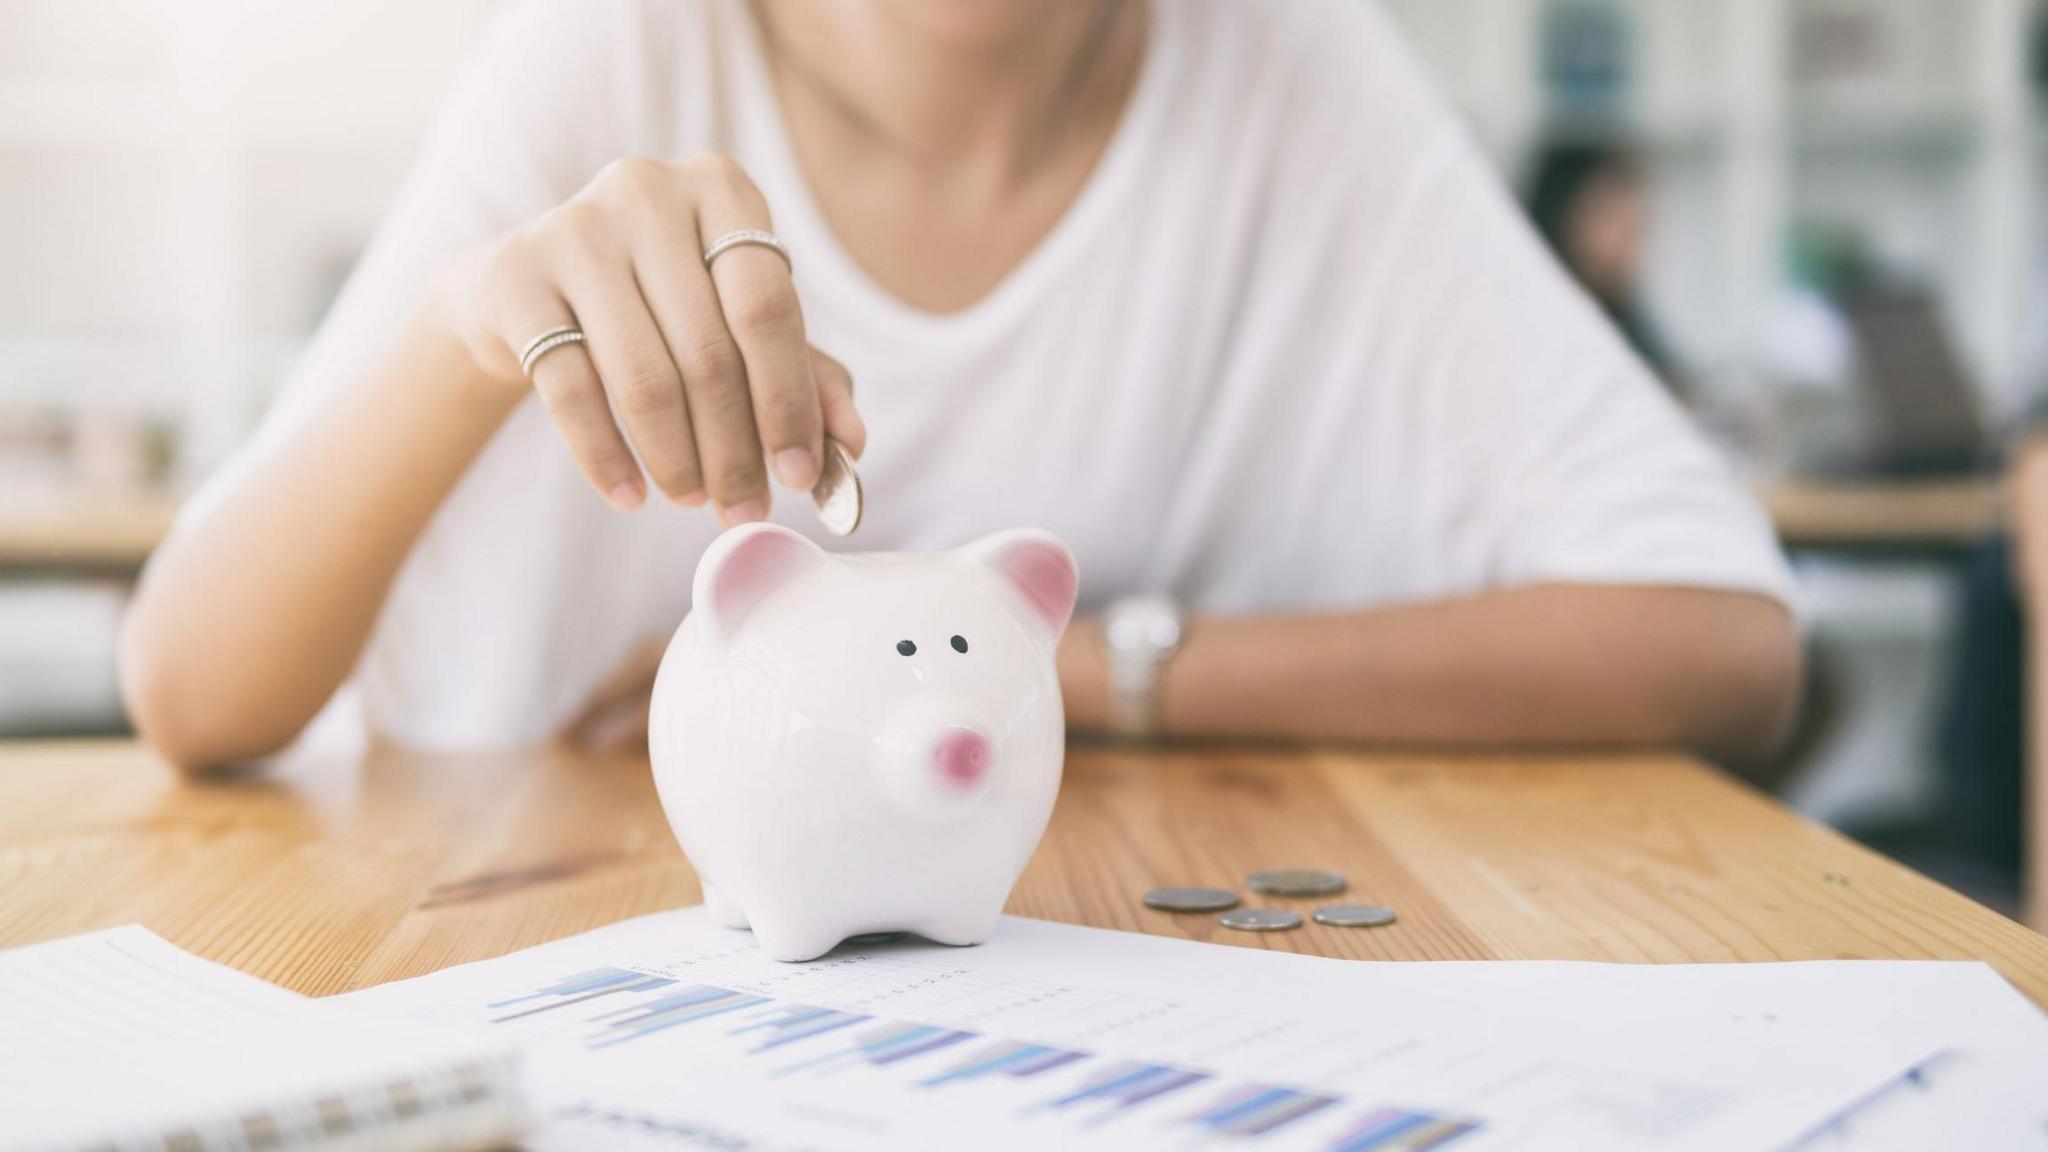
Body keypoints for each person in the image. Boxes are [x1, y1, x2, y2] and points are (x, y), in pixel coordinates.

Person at [121, 0, 1801, 771]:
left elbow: (1722, 637)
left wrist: (1071, 669)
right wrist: (456, 339)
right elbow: (192, 690)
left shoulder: (1285, 62)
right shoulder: (610, 50)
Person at [1524, 139, 1682, 393]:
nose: (1631, 233)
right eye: (1614, 215)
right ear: (1565, 215)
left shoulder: (1630, 320)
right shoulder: (1534, 326)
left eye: (1637, 219)